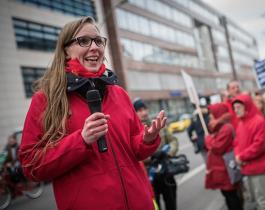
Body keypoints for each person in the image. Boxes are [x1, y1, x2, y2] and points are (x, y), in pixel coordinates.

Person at [19, 17, 166, 210]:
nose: (94, 47)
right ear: (65, 50)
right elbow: (31, 166)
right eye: (84, 41)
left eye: (98, 40)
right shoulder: (45, 100)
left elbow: (134, 151)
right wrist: (80, 141)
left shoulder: (119, 93)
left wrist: (147, 139)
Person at [133, 98, 179, 210]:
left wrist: (168, 153)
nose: (143, 112)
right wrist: (150, 157)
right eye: (139, 110)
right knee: (154, 204)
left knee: (171, 200)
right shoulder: (134, 130)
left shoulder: (157, 124)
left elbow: (173, 140)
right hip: (149, 175)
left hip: (166, 171)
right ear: (134, 112)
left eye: (145, 109)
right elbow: (133, 155)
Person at [232, 94, 265, 210]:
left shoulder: (259, 121)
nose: (235, 110)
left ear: (247, 106)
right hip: (247, 169)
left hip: (260, 169)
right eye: (234, 108)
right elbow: (236, 143)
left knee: (264, 202)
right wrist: (237, 155)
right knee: (254, 202)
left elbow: (260, 145)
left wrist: (241, 157)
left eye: (238, 107)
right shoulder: (240, 123)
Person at [205, 103, 243, 210]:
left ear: (218, 114)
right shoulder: (221, 127)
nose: (210, 118)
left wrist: (208, 139)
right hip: (222, 169)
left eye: (212, 116)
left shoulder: (226, 128)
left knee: (231, 197)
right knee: (227, 196)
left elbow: (217, 147)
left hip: (226, 169)